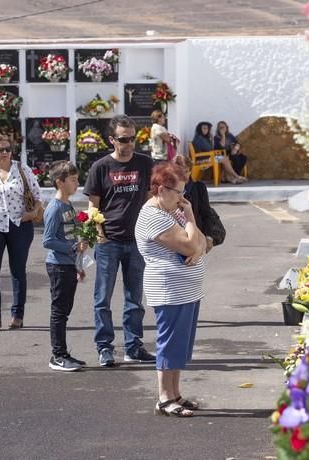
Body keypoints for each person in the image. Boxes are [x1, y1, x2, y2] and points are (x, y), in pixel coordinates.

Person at [135, 162, 207, 417]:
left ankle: (175, 393)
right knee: (169, 342)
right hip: (169, 289)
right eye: (177, 192)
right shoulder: (153, 215)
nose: (182, 198)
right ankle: (164, 398)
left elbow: (199, 241)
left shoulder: (171, 211)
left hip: (186, 289)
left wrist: (196, 245)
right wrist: (190, 221)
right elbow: (189, 245)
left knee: (180, 344)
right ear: (160, 188)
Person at [83, 114, 156, 366]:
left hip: (138, 241)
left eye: (133, 138)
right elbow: (93, 205)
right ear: (112, 140)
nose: (130, 144)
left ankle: (133, 346)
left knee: (134, 298)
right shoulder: (101, 167)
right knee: (102, 298)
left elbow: (150, 198)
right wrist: (99, 234)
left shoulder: (145, 163)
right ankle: (104, 348)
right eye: (124, 139)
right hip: (109, 242)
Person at [0, 133, 42, 329]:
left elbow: (38, 195)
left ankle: (17, 315)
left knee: (17, 270)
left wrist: (32, 214)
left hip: (19, 225)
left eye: (8, 149)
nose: (4, 153)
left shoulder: (22, 169)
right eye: (0, 150)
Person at [42, 161, 88, 372]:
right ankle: (57, 355)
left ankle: (63, 352)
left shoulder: (67, 205)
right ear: (59, 182)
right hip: (58, 266)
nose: (77, 183)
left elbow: (70, 234)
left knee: (65, 311)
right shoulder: (54, 207)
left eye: (77, 179)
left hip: (68, 265)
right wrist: (72, 247)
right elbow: (48, 240)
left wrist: (78, 262)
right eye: (72, 179)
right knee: (59, 312)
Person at [174, 155, 225, 253]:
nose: (184, 175)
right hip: (175, 237)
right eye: (179, 172)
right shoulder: (168, 189)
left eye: (186, 171)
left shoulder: (199, 187)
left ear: (190, 170)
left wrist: (209, 237)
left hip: (195, 236)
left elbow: (206, 213)